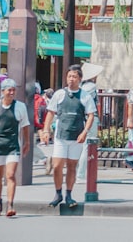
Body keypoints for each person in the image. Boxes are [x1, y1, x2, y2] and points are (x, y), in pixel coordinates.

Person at [41, 64, 96, 208]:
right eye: (69, 76)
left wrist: (85, 132)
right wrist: (46, 130)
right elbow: (51, 113)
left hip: (76, 136)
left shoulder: (85, 96)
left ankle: (69, 195)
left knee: (72, 167)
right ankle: (58, 193)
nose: (71, 79)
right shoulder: (59, 94)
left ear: (80, 79)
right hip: (61, 136)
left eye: (74, 77)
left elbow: (90, 115)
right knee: (57, 165)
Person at [0, 78, 30, 217]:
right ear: (2, 91)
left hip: (12, 145)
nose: (11, 93)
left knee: (10, 175)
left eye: (13, 90)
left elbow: (25, 125)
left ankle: (10, 204)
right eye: (9, 90)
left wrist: (27, 142)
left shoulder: (20, 106)